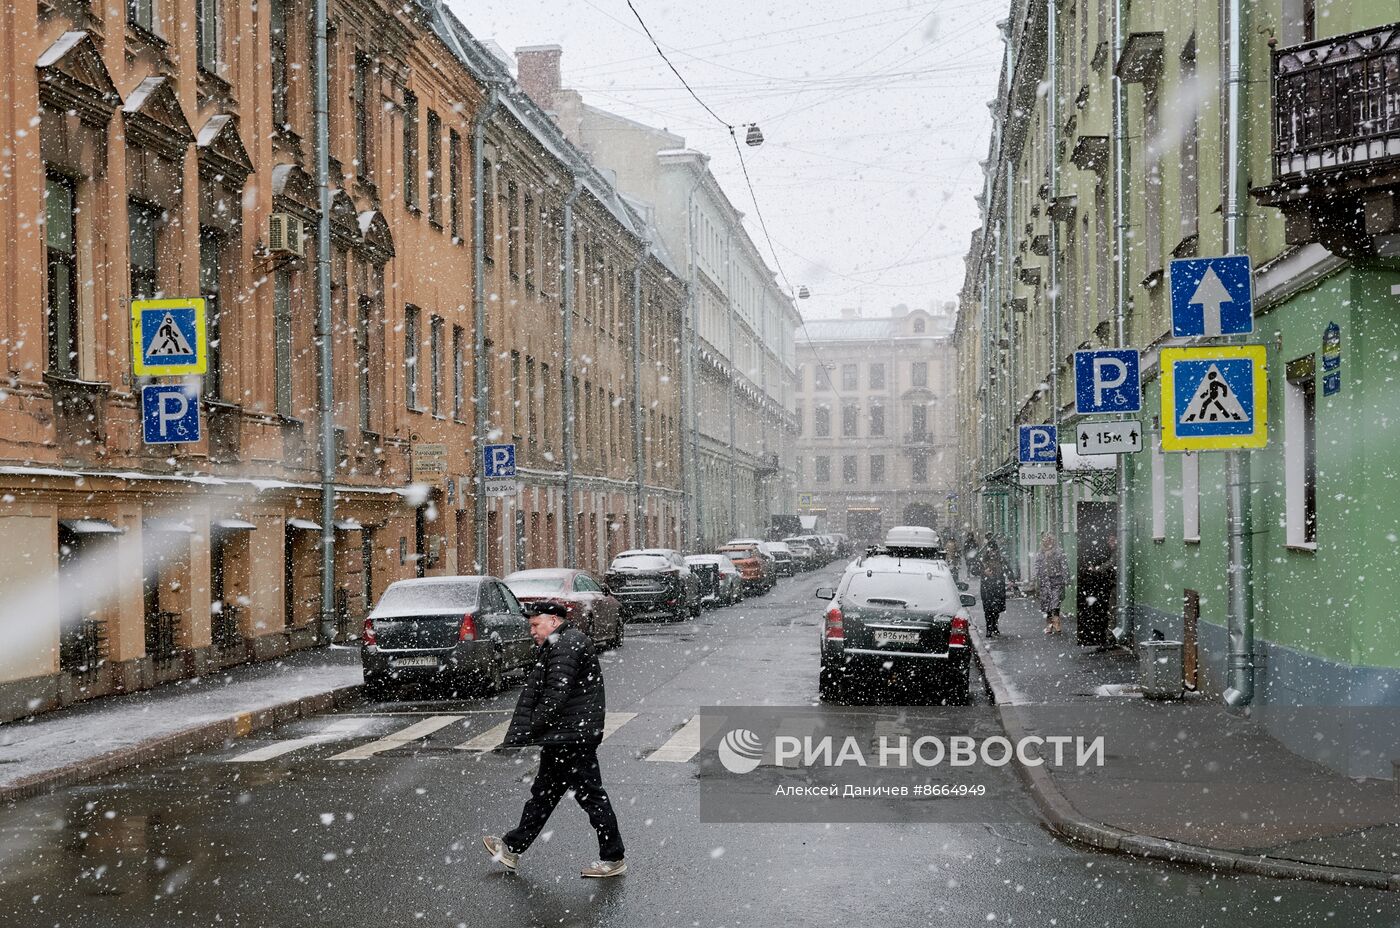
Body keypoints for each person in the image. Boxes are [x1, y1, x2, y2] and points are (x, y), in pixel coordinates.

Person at [483, 606, 626, 879]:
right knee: (544, 796)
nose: (532, 631)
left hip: (571, 737)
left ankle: (614, 858)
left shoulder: (566, 643)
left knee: (591, 797)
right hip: (565, 735)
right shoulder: (562, 642)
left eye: (536, 625)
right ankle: (512, 848)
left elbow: (556, 693)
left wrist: (534, 726)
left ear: (553, 620)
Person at [1035, 532, 1068, 636]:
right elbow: (1037, 565)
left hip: (1056, 580)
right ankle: (1049, 624)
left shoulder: (1058, 552)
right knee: (1047, 603)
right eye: (1046, 540)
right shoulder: (1040, 552)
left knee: (1055, 601)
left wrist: (1066, 578)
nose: (1048, 542)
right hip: (1045, 581)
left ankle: (1057, 622)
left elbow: (1064, 565)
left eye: (1050, 540)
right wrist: (1036, 575)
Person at [978, 538, 1008, 637]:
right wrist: (984, 572)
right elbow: (975, 570)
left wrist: (1012, 580)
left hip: (998, 587)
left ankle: (994, 626)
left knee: (996, 609)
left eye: (994, 550)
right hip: (986, 588)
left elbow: (1008, 569)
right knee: (987, 609)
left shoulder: (1000, 559)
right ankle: (988, 628)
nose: (992, 552)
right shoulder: (983, 560)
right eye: (990, 550)